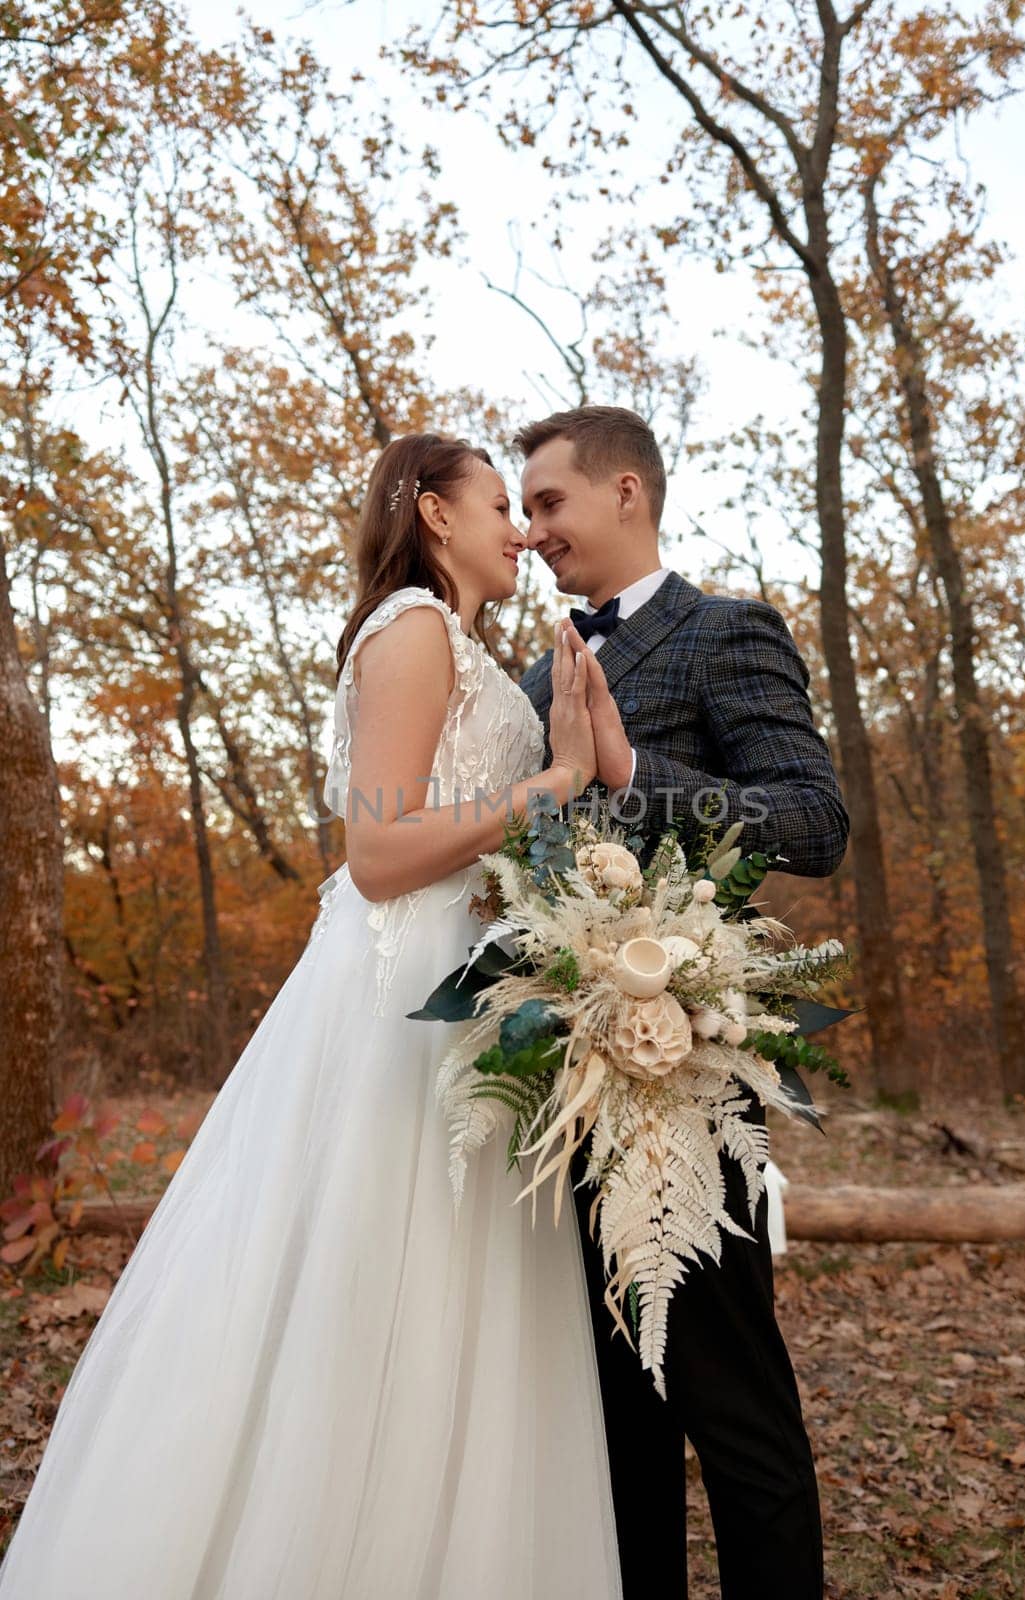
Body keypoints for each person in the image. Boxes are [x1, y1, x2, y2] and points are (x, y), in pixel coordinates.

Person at [0, 433, 624, 1600]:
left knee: (460, 1299)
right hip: (398, 998)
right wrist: (547, 782)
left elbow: (483, 831)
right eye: (498, 504)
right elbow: (381, 855)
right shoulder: (411, 628)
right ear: (433, 514)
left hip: (473, 989)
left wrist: (588, 770)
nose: (519, 528)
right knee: (366, 1276)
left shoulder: (476, 649)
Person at [517, 404, 850, 1600]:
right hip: (556, 1083)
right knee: (612, 1418)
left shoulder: (726, 633)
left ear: (624, 491)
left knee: (733, 1403)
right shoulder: (522, 674)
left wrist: (634, 773)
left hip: (691, 1072)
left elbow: (815, 824)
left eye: (548, 501)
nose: (532, 527)